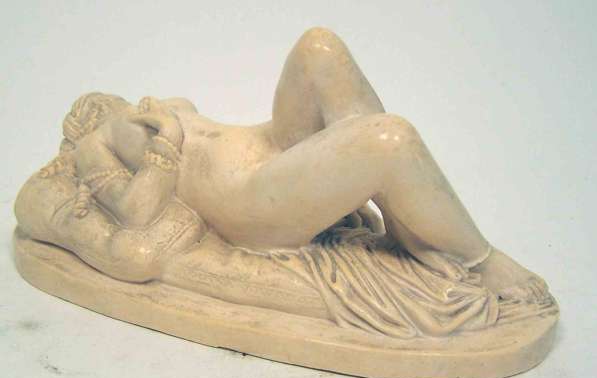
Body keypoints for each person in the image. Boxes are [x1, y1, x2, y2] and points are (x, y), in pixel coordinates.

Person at [58, 28, 547, 302]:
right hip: (247, 199)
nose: (91, 104)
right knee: (389, 138)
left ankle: (407, 226)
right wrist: (165, 141)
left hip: (269, 145)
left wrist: (167, 114)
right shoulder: (91, 145)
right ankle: (479, 258)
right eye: (85, 109)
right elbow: (136, 212)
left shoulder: (156, 104)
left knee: (319, 46)